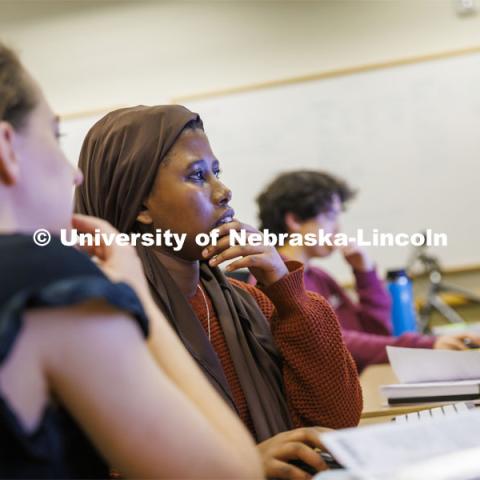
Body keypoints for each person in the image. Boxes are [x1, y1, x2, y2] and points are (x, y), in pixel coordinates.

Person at [0, 42, 262, 479]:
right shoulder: (45, 280)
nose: (74, 174)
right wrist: (132, 294)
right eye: (54, 136)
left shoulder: (240, 295)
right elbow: (233, 473)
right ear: (7, 148)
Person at [75, 105, 363, 480]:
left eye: (217, 172)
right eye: (197, 176)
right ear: (140, 205)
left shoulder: (246, 301)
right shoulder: (102, 322)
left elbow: (336, 422)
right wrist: (234, 469)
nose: (224, 192)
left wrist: (285, 289)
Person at [256, 170, 480, 372]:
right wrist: (425, 346)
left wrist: (365, 273)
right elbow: (331, 343)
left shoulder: (319, 277)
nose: (338, 228)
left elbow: (377, 332)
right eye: (331, 215)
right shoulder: (275, 280)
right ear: (295, 220)